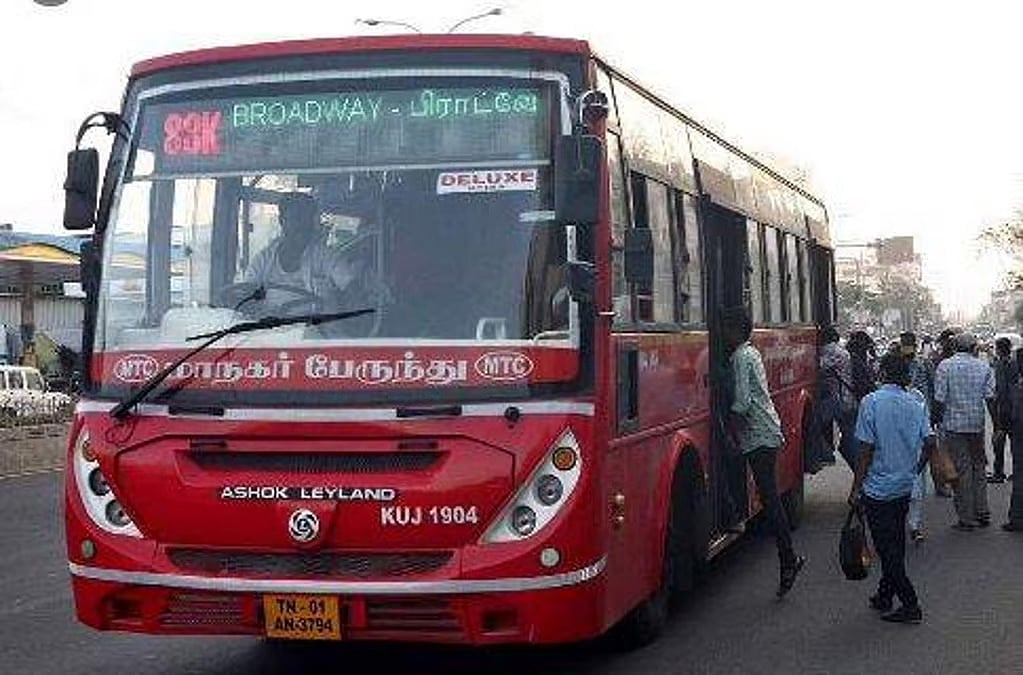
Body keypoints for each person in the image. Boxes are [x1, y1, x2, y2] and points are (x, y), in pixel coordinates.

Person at [722, 307, 805, 597]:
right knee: (769, 497)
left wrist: (727, 427)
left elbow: (743, 403)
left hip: (757, 435)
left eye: (726, 329)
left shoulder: (739, 357)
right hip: (767, 432)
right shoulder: (752, 353)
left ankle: (789, 558)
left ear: (734, 330)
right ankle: (788, 558)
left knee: (769, 499)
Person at [849, 351, 935, 624]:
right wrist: (915, 469)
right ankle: (884, 595)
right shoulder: (915, 404)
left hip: (878, 488)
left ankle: (911, 604)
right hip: (903, 486)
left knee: (886, 549)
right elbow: (930, 443)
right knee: (894, 541)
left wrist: (855, 488)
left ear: (882, 373)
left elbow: (864, 451)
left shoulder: (871, 403)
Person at [242, 193, 362, 314]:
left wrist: (349, 311)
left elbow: (351, 287)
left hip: (321, 329)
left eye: (307, 219)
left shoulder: (327, 257)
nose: (302, 226)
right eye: (296, 219)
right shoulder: (262, 261)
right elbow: (245, 296)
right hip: (273, 329)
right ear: (282, 221)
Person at [933, 332, 996, 530]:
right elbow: (990, 398)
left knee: (961, 470)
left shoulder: (945, 366)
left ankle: (966, 518)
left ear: (955, 347)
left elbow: (939, 399)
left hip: (953, 426)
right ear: (974, 348)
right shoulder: (983, 366)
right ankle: (982, 511)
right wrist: (997, 425)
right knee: (978, 467)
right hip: (976, 425)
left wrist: (934, 420)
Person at [899, 332, 935, 543]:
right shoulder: (895, 363)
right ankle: (908, 522)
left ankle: (913, 525)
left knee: (915, 481)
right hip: (904, 424)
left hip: (922, 420)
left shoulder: (924, 364)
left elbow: (932, 387)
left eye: (909, 345)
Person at [812, 325, 856, 469]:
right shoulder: (842, 351)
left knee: (814, 424)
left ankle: (825, 454)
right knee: (847, 438)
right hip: (846, 400)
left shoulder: (831, 351)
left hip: (839, 401)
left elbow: (818, 366)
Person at [988, 337, 1018, 484]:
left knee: (999, 443)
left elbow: (999, 389)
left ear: (999, 349)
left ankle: (999, 473)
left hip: (1002, 410)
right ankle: (1016, 472)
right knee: (1015, 444)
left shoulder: (999, 365)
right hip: (1014, 409)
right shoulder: (1014, 363)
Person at [1004, 347, 1023, 532]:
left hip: (1020, 438)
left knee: (1020, 478)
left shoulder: (1018, 388)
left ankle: (1017, 519)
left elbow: (1016, 416)